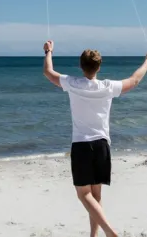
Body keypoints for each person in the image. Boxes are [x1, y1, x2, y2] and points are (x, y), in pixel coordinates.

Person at [43, 40, 147, 237]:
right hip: (102, 145)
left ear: (81, 66)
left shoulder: (73, 83)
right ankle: (94, 236)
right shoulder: (107, 86)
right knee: (96, 195)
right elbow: (134, 80)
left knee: (84, 195)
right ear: (99, 67)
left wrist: (48, 52)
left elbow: (48, 72)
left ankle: (109, 232)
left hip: (82, 145)